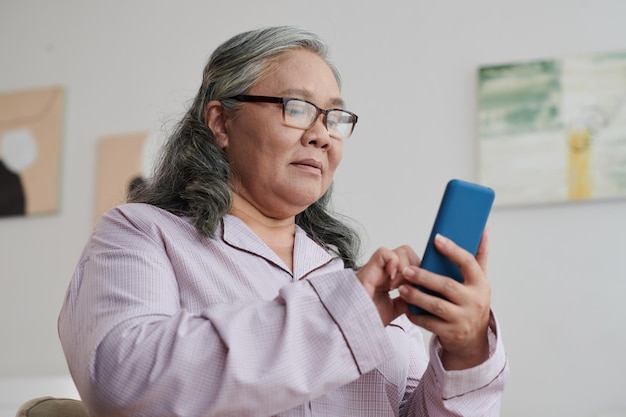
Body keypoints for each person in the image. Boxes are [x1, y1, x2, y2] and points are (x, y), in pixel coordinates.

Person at [58, 26, 508, 417]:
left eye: (334, 117)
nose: (321, 134)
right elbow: (124, 383)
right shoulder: (140, 234)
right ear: (221, 122)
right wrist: (346, 317)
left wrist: (465, 353)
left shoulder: (351, 282)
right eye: (296, 107)